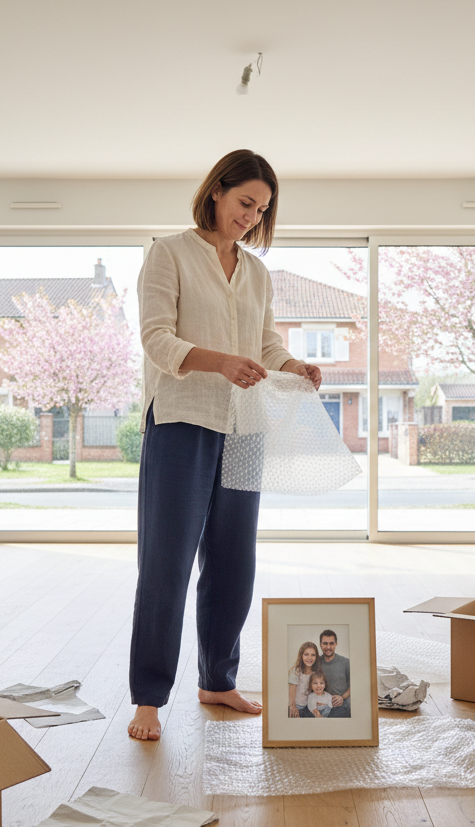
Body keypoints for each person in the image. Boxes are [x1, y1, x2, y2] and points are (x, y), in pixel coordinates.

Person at [127, 150, 323, 741]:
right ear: (216, 191)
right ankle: (148, 698)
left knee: (234, 561)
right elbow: (156, 339)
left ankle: (218, 680)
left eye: (261, 210)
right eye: (245, 202)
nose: (251, 216)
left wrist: (293, 365)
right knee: (166, 563)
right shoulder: (169, 253)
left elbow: (264, 346)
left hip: (244, 427)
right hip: (182, 420)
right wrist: (220, 363)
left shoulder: (257, 273)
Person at [318, 629, 351, 718]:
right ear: (320, 644)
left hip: (342, 705)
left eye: (331, 643)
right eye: (325, 643)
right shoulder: (316, 663)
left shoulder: (346, 662)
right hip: (322, 707)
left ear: (336, 644)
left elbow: (353, 685)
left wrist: (342, 697)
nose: (328, 647)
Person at [288, 641, 321, 718]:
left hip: (309, 706)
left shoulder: (316, 672)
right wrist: (293, 706)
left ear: (316, 657)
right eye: (306, 654)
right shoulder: (296, 671)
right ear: (301, 655)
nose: (309, 658)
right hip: (298, 706)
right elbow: (292, 691)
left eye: (313, 655)